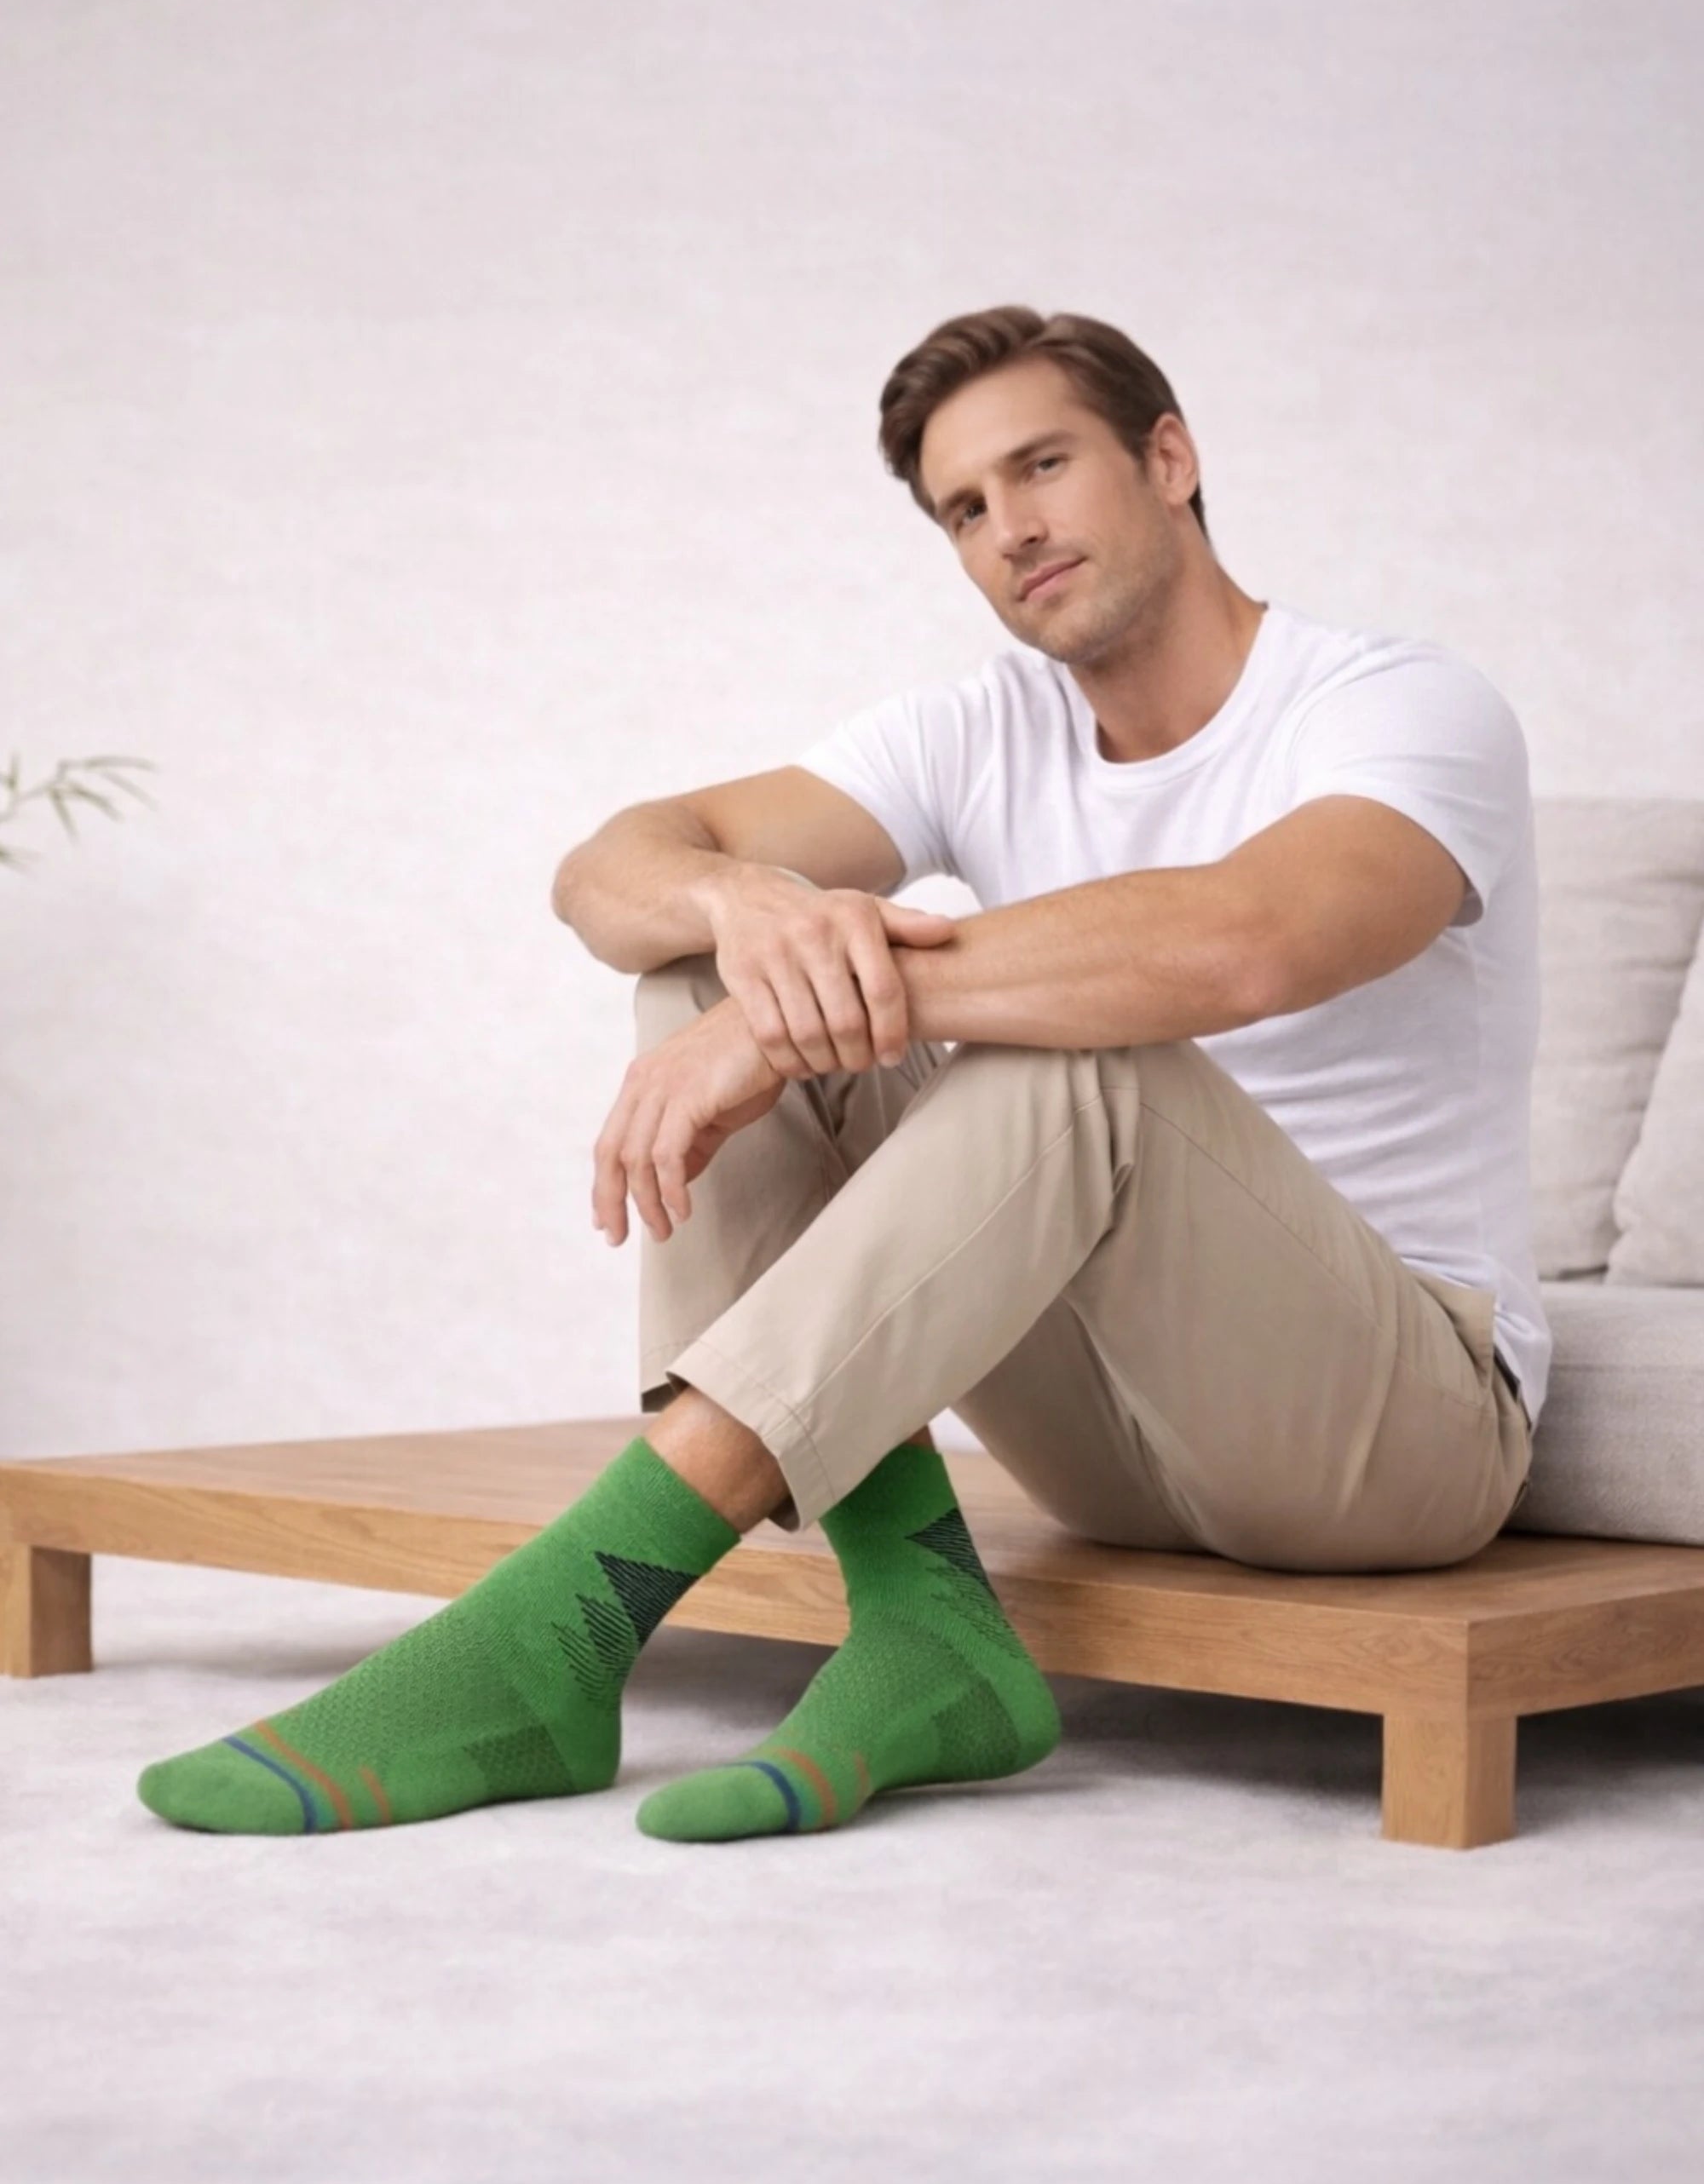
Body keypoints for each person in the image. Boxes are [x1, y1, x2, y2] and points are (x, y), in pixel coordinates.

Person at [136, 302, 1544, 1846]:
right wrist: (745, 916)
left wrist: (786, 1012)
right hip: (1112, 1439)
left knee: (1078, 1064)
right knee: (699, 963)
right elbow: (607, 871)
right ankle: (927, 1630)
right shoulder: (983, 729)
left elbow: (1246, 944)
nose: (1011, 529)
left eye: (1043, 466)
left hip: (1392, 1430)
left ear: (1169, 457)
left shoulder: (1398, 704)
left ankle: (560, 1628)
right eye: (964, 508)